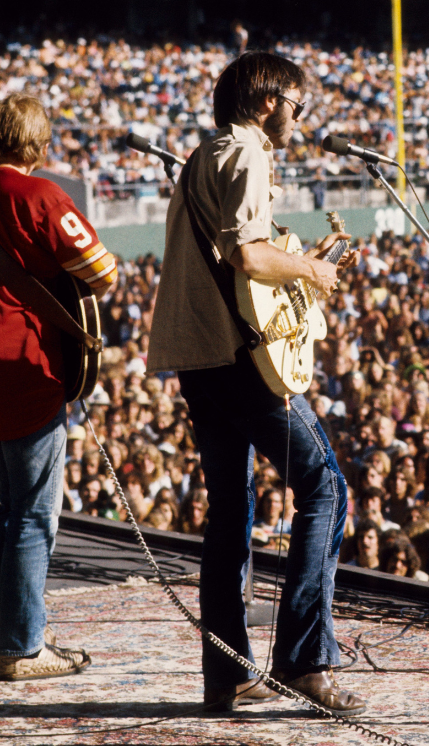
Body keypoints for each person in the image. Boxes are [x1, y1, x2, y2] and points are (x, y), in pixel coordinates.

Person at [146, 52, 364, 715]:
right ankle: (304, 660)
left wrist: (301, 261)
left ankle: (229, 672)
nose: (302, 119)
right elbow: (249, 255)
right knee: (325, 485)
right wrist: (312, 271)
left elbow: (240, 265)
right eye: (298, 105)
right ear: (269, 101)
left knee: (231, 516)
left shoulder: (204, 153)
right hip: (241, 363)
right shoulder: (247, 153)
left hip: (200, 360)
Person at [0, 93, 116, 679]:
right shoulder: (39, 194)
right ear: (37, 144)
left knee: (13, 510)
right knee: (33, 516)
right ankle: (22, 646)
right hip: (27, 374)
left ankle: (23, 628)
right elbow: (103, 272)